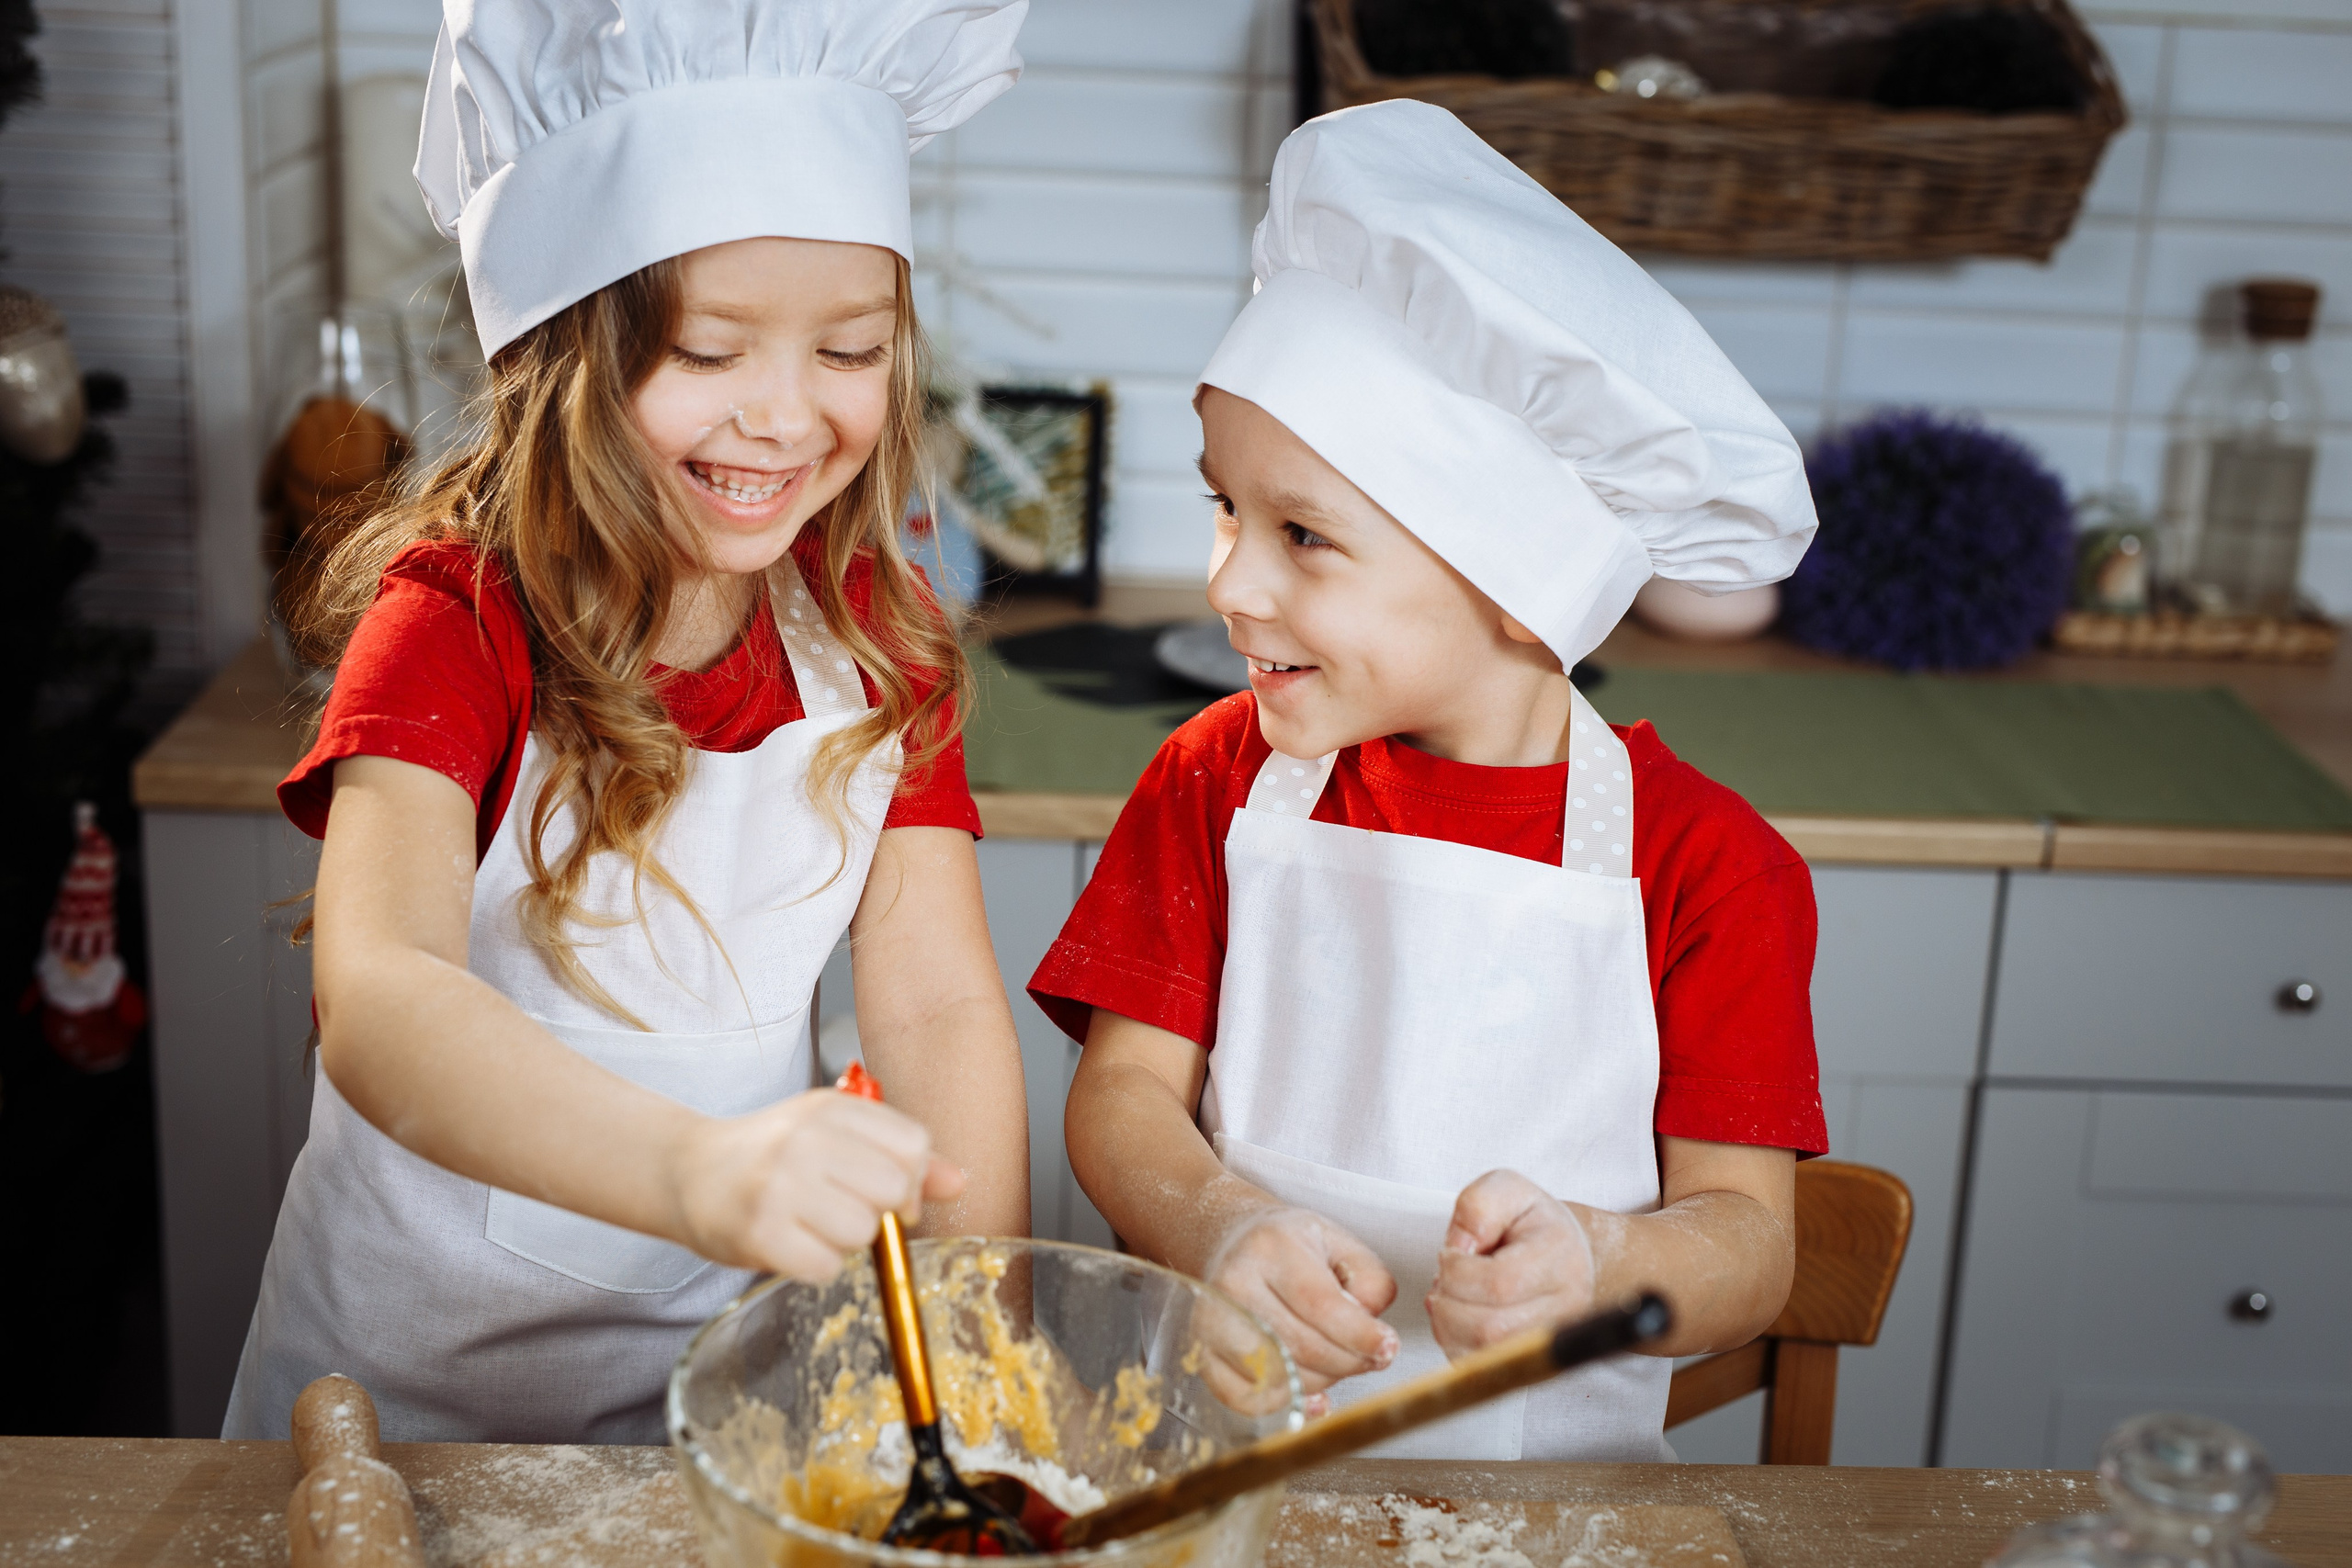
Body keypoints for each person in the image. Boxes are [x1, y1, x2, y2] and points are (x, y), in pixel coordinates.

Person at [222, 0, 1035, 1444]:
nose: (785, 419)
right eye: (713, 352)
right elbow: (383, 1001)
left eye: (849, 350)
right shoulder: (455, 622)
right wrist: (696, 1174)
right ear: (559, 350)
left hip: (712, 1399)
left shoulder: (874, 634)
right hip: (399, 1407)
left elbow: (939, 1005)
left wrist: (975, 1329)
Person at [1033, 100, 1827, 1462]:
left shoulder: (1707, 866)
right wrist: (1218, 1222)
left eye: (1303, 535)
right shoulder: (1218, 778)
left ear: (1520, 594)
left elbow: (1750, 1245)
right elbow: (1121, 1106)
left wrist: (1600, 1262)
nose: (1231, 581)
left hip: (1551, 1522)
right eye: (1226, 506)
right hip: (1213, 1486)